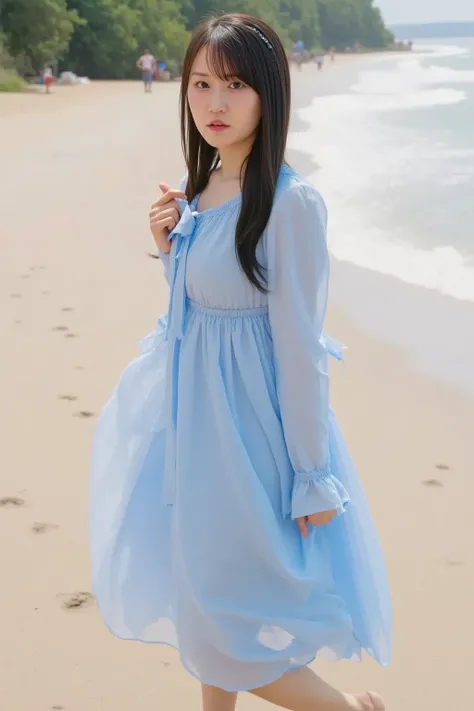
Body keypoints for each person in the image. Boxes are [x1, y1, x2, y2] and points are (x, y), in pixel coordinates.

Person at [90, 14, 391, 711]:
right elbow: (198, 314)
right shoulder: (202, 191)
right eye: (200, 84)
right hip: (194, 428)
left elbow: (301, 350)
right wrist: (172, 249)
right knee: (204, 598)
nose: (214, 104)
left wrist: (313, 476)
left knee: (231, 619)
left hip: (251, 439)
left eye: (234, 85)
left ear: (268, 94)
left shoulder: (291, 204)